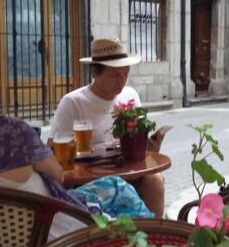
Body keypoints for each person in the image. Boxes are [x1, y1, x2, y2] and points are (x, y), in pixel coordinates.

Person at [0, 112, 154, 241]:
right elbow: (58, 175)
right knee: (121, 190)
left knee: (114, 184)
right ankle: (153, 246)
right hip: (58, 236)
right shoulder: (9, 132)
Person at [49, 37, 165, 217]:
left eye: (125, 74)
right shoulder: (73, 102)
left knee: (154, 181)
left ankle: (156, 240)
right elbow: (53, 149)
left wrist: (149, 147)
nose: (121, 81)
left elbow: (139, 142)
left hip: (127, 172)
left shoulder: (130, 95)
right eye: (114, 75)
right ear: (95, 72)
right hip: (89, 180)